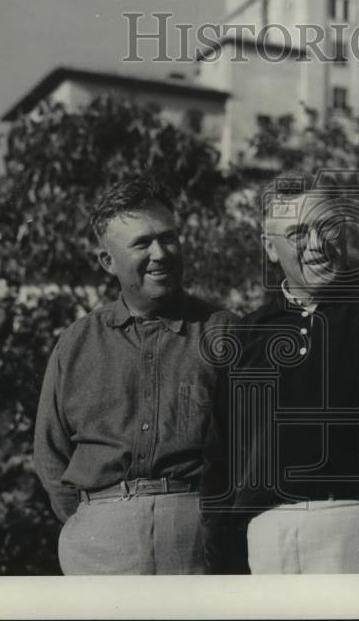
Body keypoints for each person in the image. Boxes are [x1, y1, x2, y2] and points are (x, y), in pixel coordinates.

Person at [200, 172, 359, 574]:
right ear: (270, 248)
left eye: (328, 227)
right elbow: (221, 459)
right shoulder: (245, 335)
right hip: (265, 537)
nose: (318, 245)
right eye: (299, 233)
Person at [33, 177, 237, 574]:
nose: (160, 254)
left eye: (169, 238)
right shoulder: (76, 343)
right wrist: (91, 523)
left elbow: (252, 448)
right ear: (107, 261)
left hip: (199, 534)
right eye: (142, 243)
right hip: (99, 540)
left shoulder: (223, 332)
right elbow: (50, 453)